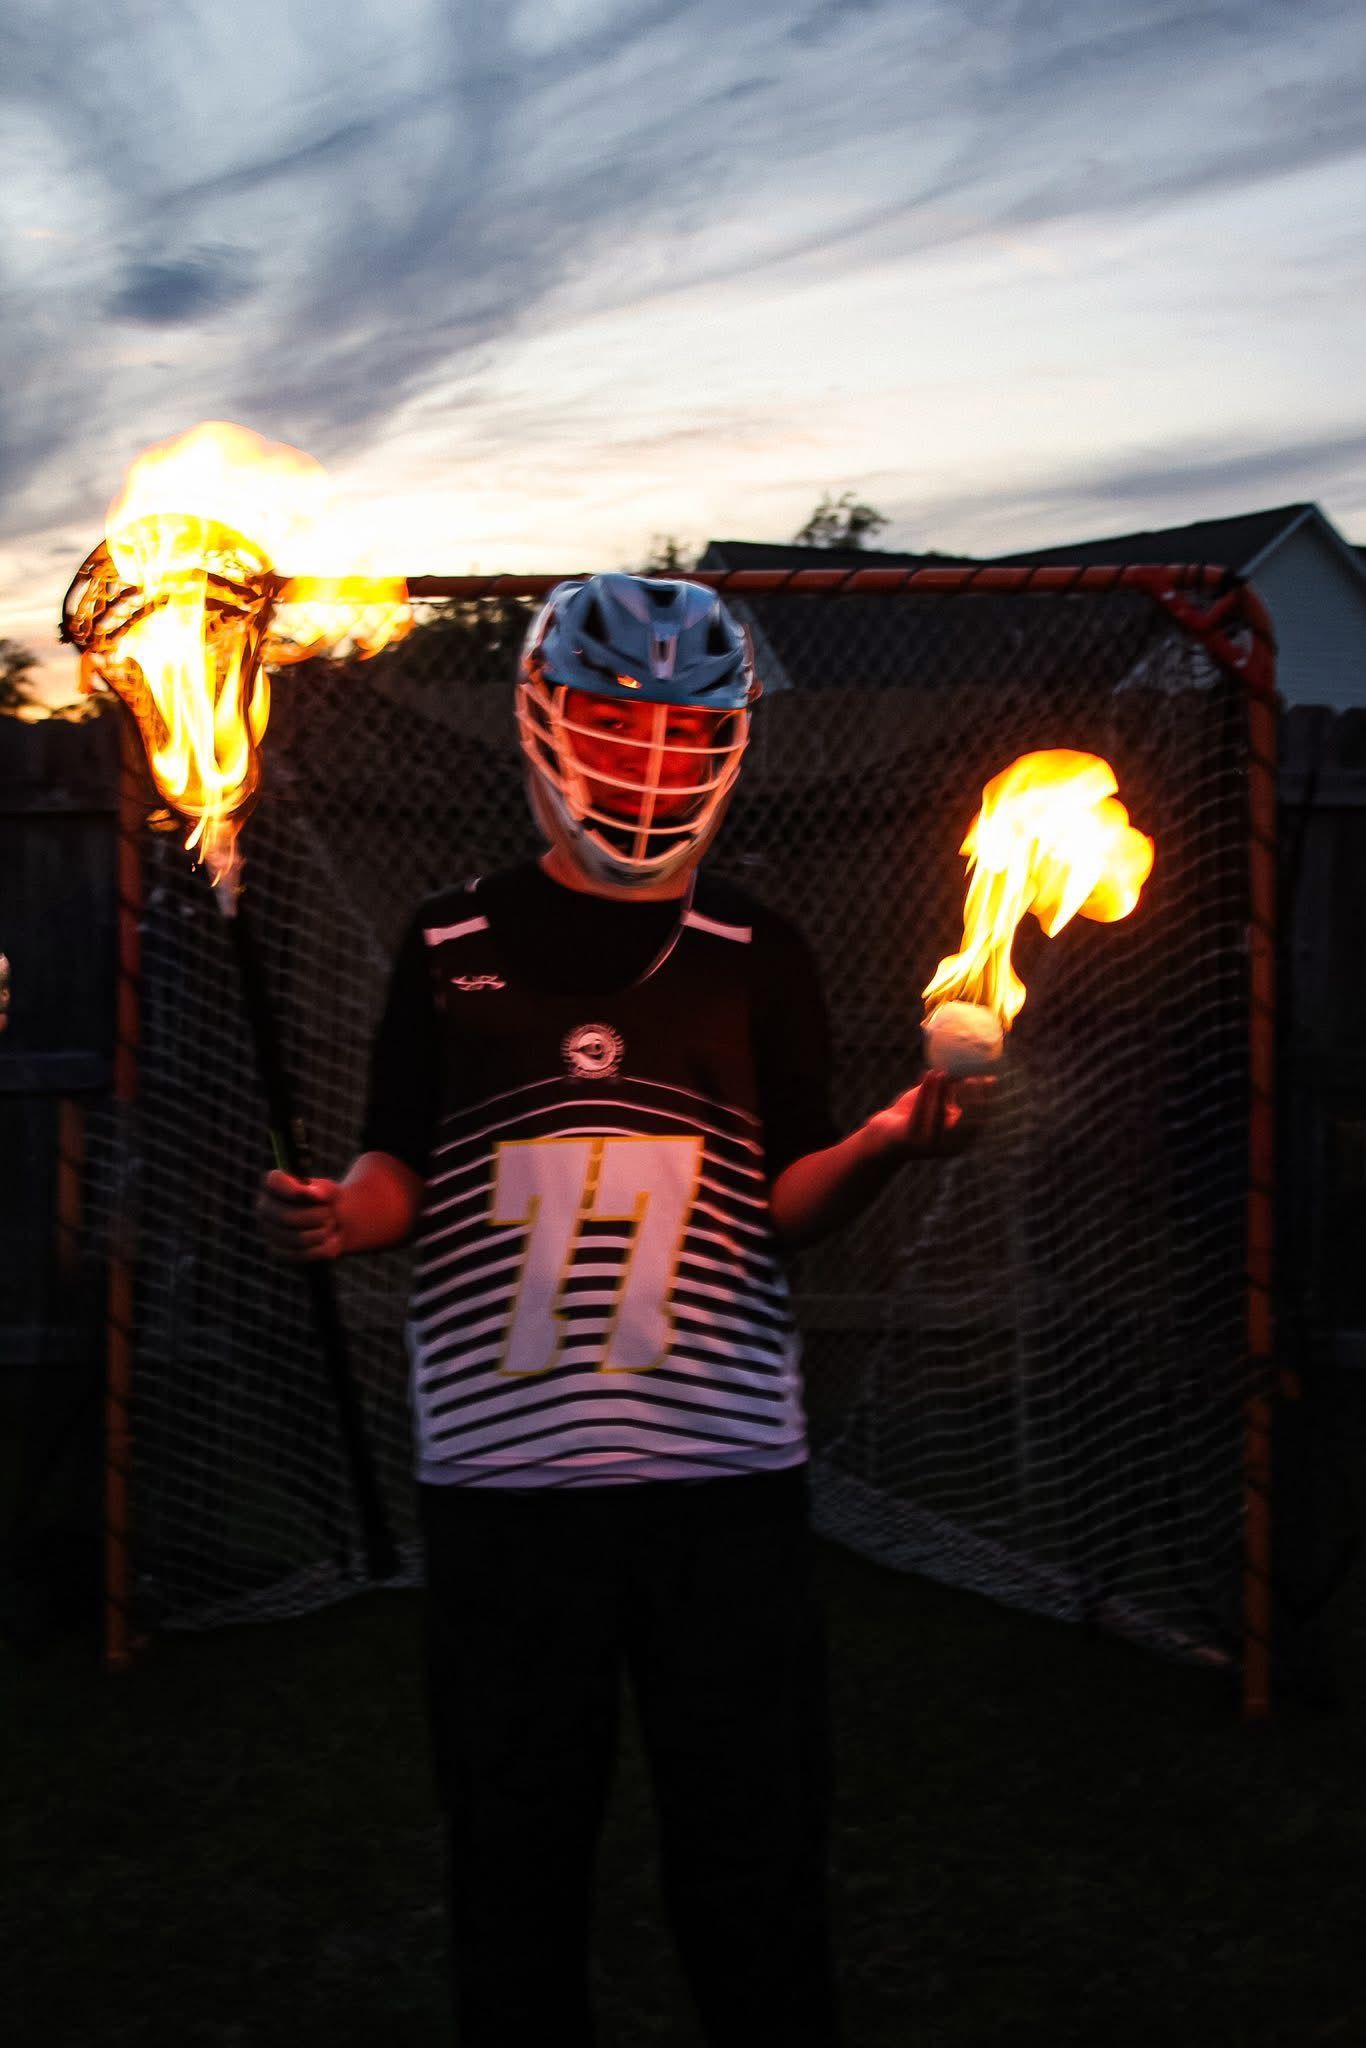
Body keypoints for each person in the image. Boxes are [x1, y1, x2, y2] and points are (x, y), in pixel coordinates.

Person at [258, 573, 991, 2047]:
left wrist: (887, 1144)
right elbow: (402, 1152)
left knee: (753, 1849)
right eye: (610, 721)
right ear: (543, 723)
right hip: (504, 1490)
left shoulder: (756, 951)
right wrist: (350, 1213)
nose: (645, 759)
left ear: (725, 745)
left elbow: (781, 1201)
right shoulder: (450, 940)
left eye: (680, 729)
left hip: (721, 1486)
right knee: (514, 1851)